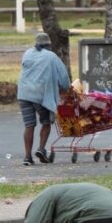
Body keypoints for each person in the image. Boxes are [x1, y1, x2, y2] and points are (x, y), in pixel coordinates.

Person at [16, 33, 70, 166]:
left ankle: (27, 157)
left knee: (29, 125)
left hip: (23, 93)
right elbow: (64, 78)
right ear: (48, 45)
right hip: (40, 94)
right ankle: (41, 149)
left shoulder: (28, 53)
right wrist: (65, 88)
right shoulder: (51, 56)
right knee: (46, 122)